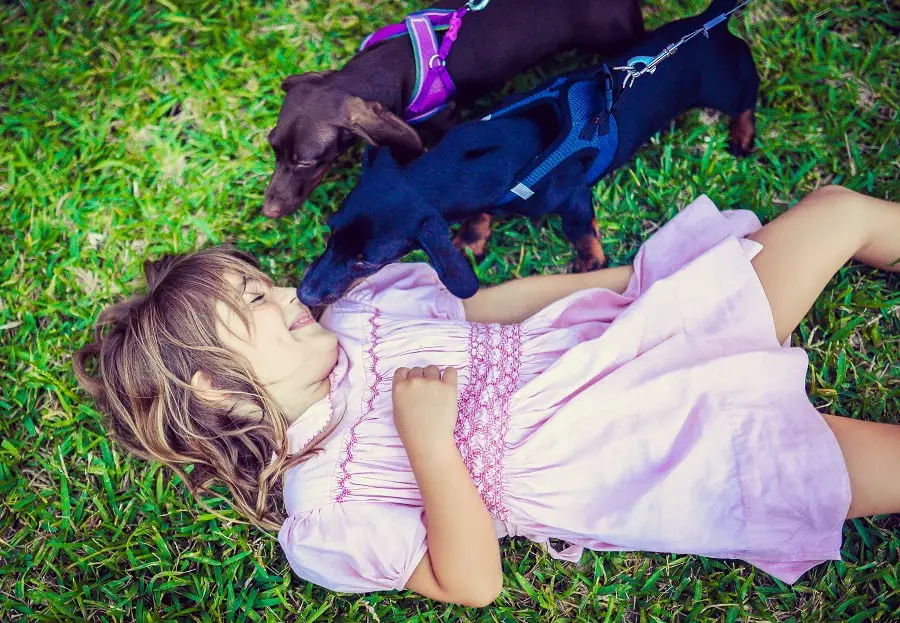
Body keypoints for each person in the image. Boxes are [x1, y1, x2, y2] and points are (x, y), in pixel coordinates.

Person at [74, 185, 900, 607]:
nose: (287, 290)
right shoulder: (326, 507)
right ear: (218, 385)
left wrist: (645, 284)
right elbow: (469, 580)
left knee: (841, 211)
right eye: (255, 303)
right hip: (653, 453)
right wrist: (431, 446)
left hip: (637, 337)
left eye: (264, 280)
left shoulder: (362, 314)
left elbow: (488, 308)